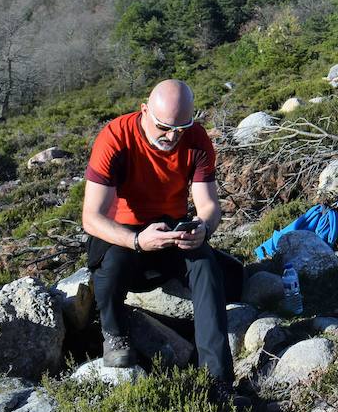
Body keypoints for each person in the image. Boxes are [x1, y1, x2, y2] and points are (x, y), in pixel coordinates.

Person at [82, 79, 235, 388]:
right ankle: (115, 335)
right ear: (144, 111)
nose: (172, 136)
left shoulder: (195, 140)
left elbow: (208, 205)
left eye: (180, 128)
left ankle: (217, 380)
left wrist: (203, 228)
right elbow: (92, 217)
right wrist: (137, 240)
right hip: (123, 233)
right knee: (110, 266)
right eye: (164, 127)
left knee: (205, 266)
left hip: (171, 230)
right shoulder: (115, 138)